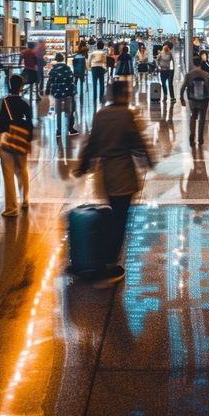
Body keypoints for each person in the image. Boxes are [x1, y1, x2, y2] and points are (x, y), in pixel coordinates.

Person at [73, 80, 155, 281]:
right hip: (123, 174)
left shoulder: (101, 115)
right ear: (123, 95)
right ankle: (109, 263)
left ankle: (102, 255)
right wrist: (148, 159)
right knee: (119, 220)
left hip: (106, 175)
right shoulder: (126, 115)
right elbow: (136, 141)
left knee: (112, 215)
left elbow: (92, 142)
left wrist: (83, 166)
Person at [0, 74, 33, 217]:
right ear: (21, 87)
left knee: (8, 174)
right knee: (22, 169)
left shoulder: (2, 102)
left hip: (4, 139)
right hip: (21, 139)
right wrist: (29, 140)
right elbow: (29, 124)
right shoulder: (25, 103)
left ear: (9, 85)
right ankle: (25, 199)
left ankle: (11, 208)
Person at [180, 56, 209, 146]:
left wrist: (181, 98)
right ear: (201, 63)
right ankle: (200, 139)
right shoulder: (206, 74)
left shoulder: (189, 75)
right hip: (204, 100)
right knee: (202, 119)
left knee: (193, 116)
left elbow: (183, 88)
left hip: (193, 99)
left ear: (193, 63)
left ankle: (192, 135)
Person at [45, 53, 78, 138]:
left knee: (58, 112)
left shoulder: (54, 69)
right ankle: (70, 128)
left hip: (57, 93)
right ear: (63, 59)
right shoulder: (67, 68)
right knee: (69, 111)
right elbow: (72, 79)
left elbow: (50, 80)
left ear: (56, 59)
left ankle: (58, 131)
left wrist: (47, 90)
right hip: (68, 92)